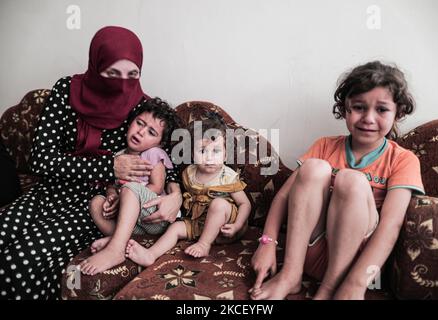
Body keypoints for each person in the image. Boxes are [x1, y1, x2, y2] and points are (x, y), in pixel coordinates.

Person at [0, 26, 182, 300]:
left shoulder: (139, 107)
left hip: (96, 204)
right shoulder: (66, 91)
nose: (122, 84)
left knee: (20, 258)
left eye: (132, 75)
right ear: (96, 66)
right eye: (112, 73)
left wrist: (176, 195)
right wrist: (110, 166)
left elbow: (172, 160)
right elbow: (40, 159)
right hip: (49, 190)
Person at [249, 61, 424, 300]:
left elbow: (390, 228)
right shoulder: (324, 146)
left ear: (398, 112)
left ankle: (330, 290)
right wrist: (267, 243)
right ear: (344, 109)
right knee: (314, 168)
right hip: (311, 252)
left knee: (351, 181)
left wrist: (356, 284)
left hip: (357, 264)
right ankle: (291, 275)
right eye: (359, 107)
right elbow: (282, 197)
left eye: (381, 110)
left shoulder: (403, 160)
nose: (368, 118)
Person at [125, 116, 251, 266]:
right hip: (199, 223)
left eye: (216, 151)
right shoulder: (189, 173)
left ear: (225, 155)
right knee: (175, 228)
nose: (209, 157)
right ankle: (151, 254)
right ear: (192, 154)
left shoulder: (227, 177)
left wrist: (237, 225)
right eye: (202, 151)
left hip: (226, 227)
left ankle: (204, 245)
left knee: (218, 204)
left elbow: (245, 204)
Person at [80, 99, 180, 275]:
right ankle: (121, 239)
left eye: (151, 132)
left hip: (153, 214)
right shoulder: (118, 157)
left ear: (160, 143)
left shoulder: (154, 154)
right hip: (131, 222)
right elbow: (112, 185)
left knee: (130, 188)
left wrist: (127, 196)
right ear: (131, 122)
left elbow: (157, 186)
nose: (141, 132)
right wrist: (112, 197)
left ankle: (115, 250)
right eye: (139, 123)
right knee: (95, 202)